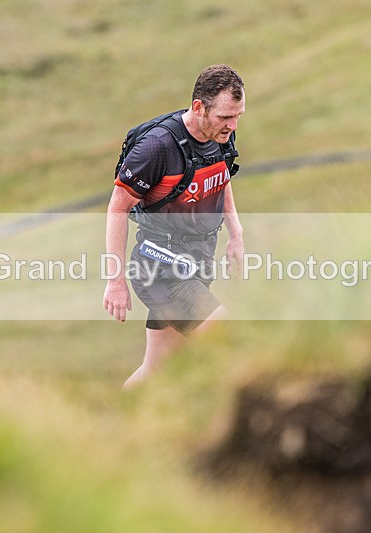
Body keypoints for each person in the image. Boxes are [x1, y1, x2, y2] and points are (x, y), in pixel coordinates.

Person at [103, 64, 246, 389]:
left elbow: (221, 176)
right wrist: (115, 280)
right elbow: (117, 206)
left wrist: (235, 232)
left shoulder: (220, 134)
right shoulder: (157, 147)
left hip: (195, 264)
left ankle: (113, 425)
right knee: (226, 333)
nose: (233, 125)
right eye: (226, 117)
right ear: (199, 107)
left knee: (157, 369)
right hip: (160, 269)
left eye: (238, 116)